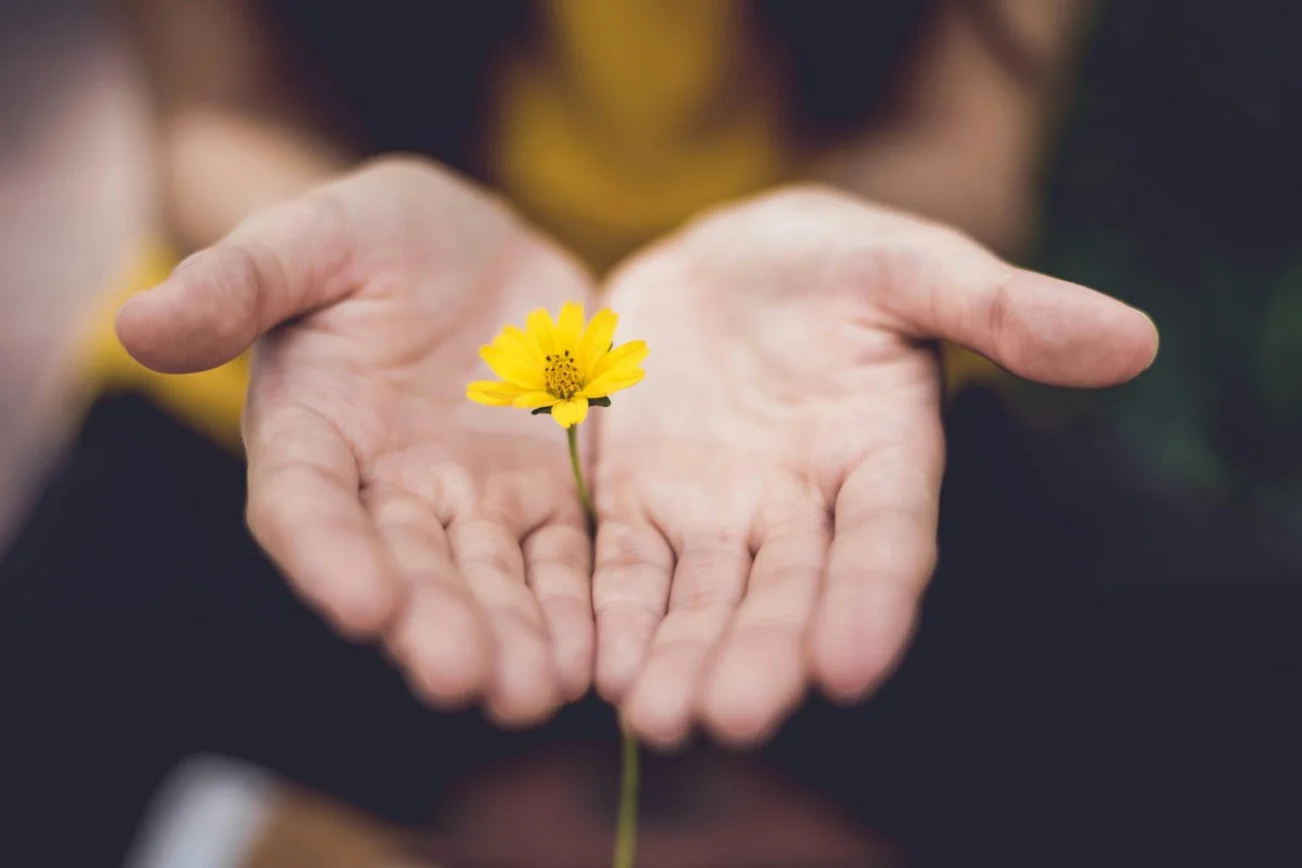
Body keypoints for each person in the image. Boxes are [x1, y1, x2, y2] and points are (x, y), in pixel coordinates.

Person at [5, 1, 1301, 865]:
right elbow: (222, 114)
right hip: (353, 397)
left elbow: (960, 143)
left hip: (803, 409)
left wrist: (836, 244)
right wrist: (318, 238)